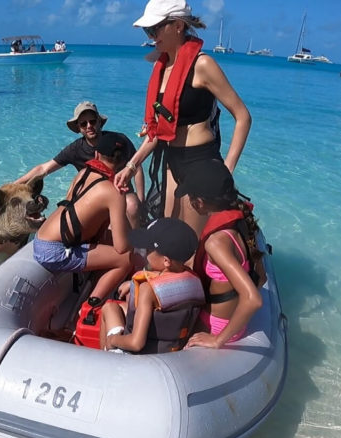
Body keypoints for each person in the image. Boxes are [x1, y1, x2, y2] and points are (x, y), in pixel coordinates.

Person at [114, 0, 251, 238]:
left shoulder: (203, 65)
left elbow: (243, 117)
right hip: (172, 160)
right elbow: (158, 131)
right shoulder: (161, 65)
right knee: (169, 239)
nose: (151, 36)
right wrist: (131, 165)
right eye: (148, 31)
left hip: (201, 162)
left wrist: (225, 172)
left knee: (188, 243)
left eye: (155, 29)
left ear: (178, 25)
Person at [32, 132, 137, 304]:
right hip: (55, 250)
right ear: (124, 163)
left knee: (108, 243)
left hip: (41, 239)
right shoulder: (113, 192)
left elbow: (72, 209)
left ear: (96, 155)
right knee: (126, 259)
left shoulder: (83, 173)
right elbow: (122, 247)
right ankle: (90, 306)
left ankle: (88, 294)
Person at [17, 101, 146, 228]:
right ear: (79, 128)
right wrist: (16, 184)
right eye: (84, 124)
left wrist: (141, 201)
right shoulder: (75, 149)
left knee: (133, 205)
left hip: (123, 197)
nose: (89, 126)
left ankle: (137, 242)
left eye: (93, 121)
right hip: (95, 201)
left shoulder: (119, 141)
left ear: (99, 122)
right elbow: (43, 169)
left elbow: (137, 167)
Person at [183, 160, 263, 348]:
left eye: (190, 197)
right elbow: (262, 278)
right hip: (230, 323)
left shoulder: (217, 243)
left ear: (199, 202)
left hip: (216, 327)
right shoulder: (244, 222)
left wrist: (218, 340)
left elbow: (253, 299)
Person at [100, 217, 203, 353]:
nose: (145, 253)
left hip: (140, 357)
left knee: (109, 308)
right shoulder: (194, 280)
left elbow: (136, 343)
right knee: (120, 306)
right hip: (171, 349)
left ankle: (104, 358)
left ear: (166, 261)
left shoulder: (148, 289)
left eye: (148, 250)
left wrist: (113, 339)